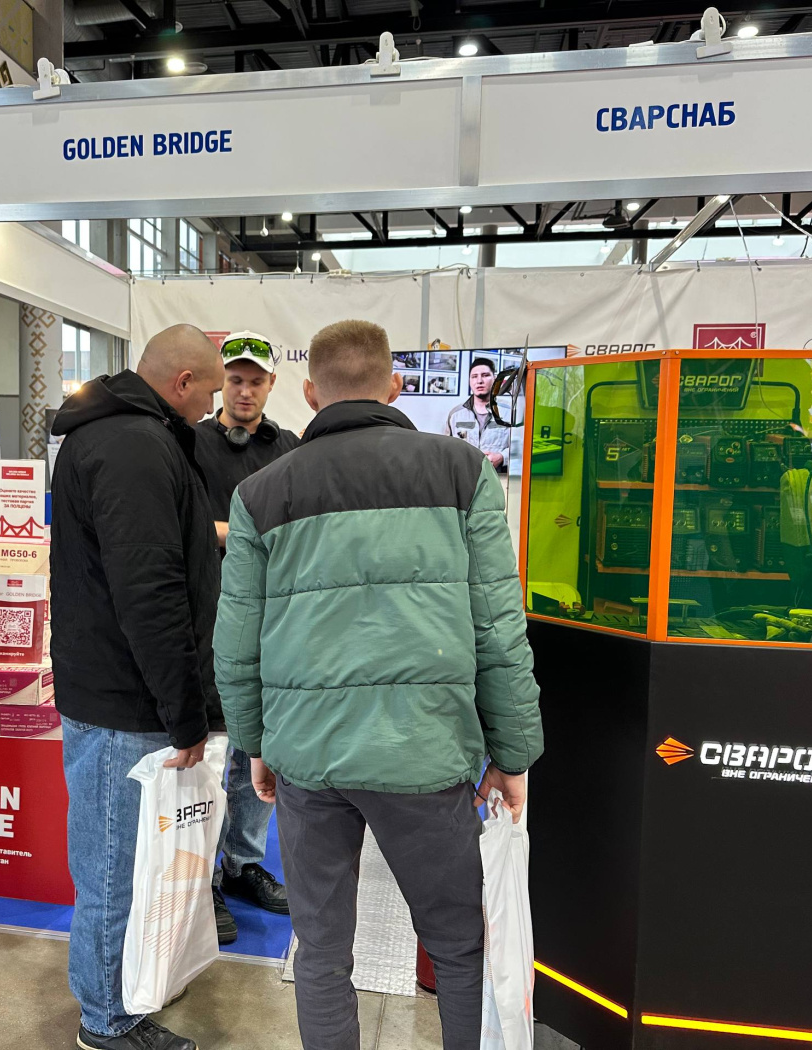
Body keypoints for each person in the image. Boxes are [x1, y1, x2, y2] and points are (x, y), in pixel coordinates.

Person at [216, 320, 543, 1050]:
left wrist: (254, 742)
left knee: (321, 952)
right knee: (458, 945)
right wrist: (514, 752)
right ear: (395, 387)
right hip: (425, 750)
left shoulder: (261, 493)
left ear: (309, 393)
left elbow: (235, 642)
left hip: (308, 757)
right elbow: (498, 627)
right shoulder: (462, 471)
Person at [50, 323, 226, 1050]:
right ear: (181, 382)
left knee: (127, 863)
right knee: (114, 870)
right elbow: (149, 593)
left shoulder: (132, 435)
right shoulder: (132, 444)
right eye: (209, 391)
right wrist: (186, 715)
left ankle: (124, 988)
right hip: (124, 701)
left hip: (122, 691)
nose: (212, 406)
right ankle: (106, 1019)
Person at [191, 331, 299, 945]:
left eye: (256, 380)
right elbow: (183, 525)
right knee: (216, 748)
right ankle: (204, 874)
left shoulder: (288, 447)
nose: (245, 391)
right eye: (235, 380)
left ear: (271, 385)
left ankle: (242, 863)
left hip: (273, 616)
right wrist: (245, 534)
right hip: (210, 615)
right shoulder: (192, 444)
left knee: (260, 741)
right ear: (221, 383)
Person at [443, 357, 510, 471]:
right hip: (465, 476)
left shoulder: (510, 412)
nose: (479, 381)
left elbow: (521, 447)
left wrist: (502, 457)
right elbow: (446, 448)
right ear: (469, 381)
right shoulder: (455, 414)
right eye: (474, 376)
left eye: (485, 375)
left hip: (498, 477)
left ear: (494, 379)